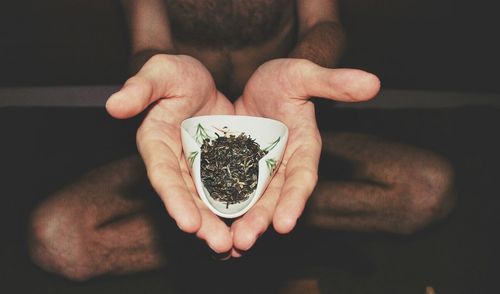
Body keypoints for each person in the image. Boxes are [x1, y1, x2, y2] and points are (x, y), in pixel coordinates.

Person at [28, 0, 455, 281]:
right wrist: (160, 72)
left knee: (429, 189)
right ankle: (262, 248)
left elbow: (325, 23)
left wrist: (302, 68)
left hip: (285, 126)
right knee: (58, 238)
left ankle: (248, 245)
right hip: (183, 136)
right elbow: (149, 45)